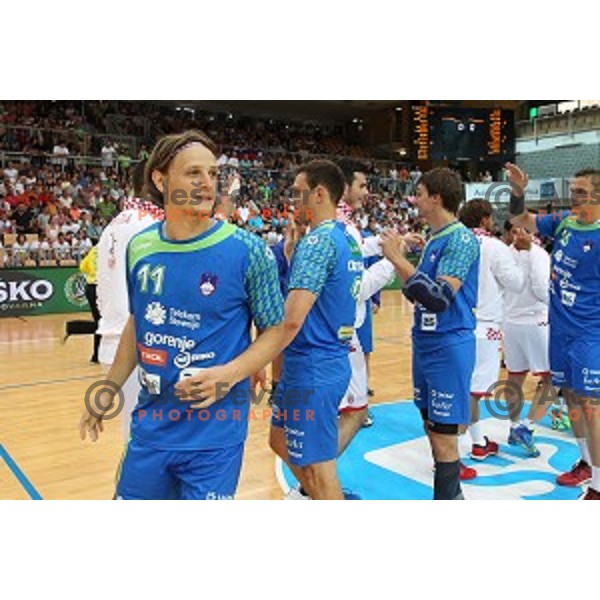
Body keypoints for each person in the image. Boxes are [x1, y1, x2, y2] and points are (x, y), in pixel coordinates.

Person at [80, 130, 285, 500]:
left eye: (212, 174)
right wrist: (109, 389)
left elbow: (277, 330)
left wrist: (230, 374)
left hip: (215, 438)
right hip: (152, 429)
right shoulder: (141, 246)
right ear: (161, 179)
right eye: (194, 173)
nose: (208, 184)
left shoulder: (249, 251)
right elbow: (138, 322)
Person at [381, 168, 480, 500]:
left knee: (443, 437)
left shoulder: (461, 239)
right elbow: (415, 293)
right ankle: (454, 495)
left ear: (437, 197)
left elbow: (438, 298)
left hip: (448, 344)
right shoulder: (434, 238)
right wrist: (401, 262)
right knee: (431, 426)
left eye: (419, 193)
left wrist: (397, 258)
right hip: (425, 343)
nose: (414, 199)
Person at [269, 159, 363, 499]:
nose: (292, 201)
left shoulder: (317, 242)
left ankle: (324, 497)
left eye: (298, 194)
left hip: (312, 366)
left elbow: (291, 319)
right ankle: (316, 495)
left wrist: (248, 364)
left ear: (319, 193)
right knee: (278, 439)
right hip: (323, 360)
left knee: (320, 470)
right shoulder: (344, 239)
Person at [509, 164, 600, 499]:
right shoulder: (564, 221)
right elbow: (521, 220)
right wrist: (518, 190)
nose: (573, 196)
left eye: (580, 191)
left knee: (592, 405)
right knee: (573, 398)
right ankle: (587, 462)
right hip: (559, 330)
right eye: (573, 189)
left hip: (591, 333)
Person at [95, 160, 164, 438]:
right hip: (137, 347)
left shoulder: (114, 224)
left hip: (112, 341)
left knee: (137, 436)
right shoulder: (152, 227)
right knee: (146, 442)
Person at [458, 199, 526, 471]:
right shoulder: (496, 248)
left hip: (457, 325)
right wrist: (521, 254)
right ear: (484, 219)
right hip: (484, 326)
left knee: (462, 387)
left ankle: (478, 442)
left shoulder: (454, 241)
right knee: (472, 392)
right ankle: (446, 457)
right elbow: (517, 284)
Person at [502, 221, 556, 450]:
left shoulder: (503, 254)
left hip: (510, 322)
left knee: (514, 377)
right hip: (536, 322)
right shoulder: (540, 255)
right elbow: (542, 289)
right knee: (552, 379)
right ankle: (528, 424)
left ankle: (514, 426)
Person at [79, 245, 100, 363]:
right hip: (103, 287)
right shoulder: (112, 248)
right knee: (105, 322)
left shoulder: (94, 249)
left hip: (91, 287)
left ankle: (96, 355)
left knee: (98, 321)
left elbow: (82, 267)